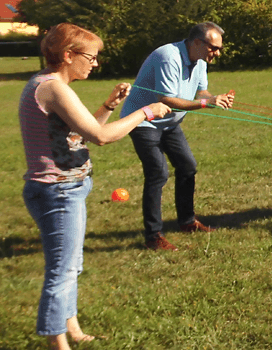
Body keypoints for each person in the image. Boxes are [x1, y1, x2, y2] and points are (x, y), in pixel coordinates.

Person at [19, 23, 171, 350]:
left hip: (69, 188)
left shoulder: (52, 86)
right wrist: (146, 111)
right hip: (57, 192)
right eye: (90, 57)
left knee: (72, 265)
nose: (95, 63)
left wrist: (109, 105)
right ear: (68, 54)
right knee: (61, 270)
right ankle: (56, 341)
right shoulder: (53, 88)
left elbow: (82, 134)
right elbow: (101, 137)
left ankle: (71, 326)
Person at [120, 21, 235, 251]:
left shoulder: (200, 60)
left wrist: (215, 99)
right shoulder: (168, 57)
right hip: (144, 121)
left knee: (187, 167)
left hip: (170, 123)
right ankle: (153, 236)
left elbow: (202, 92)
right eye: (213, 48)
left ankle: (187, 222)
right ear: (196, 42)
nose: (217, 53)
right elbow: (166, 99)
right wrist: (205, 103)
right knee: (157, 173)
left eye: (219, 48)